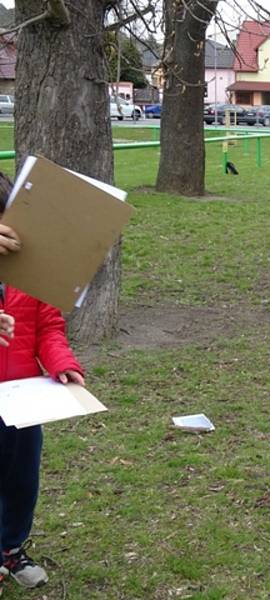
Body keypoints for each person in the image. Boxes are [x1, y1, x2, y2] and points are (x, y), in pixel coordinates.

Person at [0, 171, 85, 588]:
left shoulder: (31, 270)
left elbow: (49, 326)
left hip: (23, 400)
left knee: (20, 479)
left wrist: (62, 365)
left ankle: (11, 551)